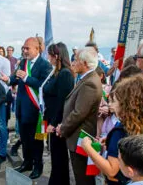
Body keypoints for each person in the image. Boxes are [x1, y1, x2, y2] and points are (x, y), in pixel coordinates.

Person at [81, 75, 143, 185]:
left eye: (115, 101)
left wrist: (88, 148)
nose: (111, 105)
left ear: (125, 105)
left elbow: (111, 170)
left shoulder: (120, 131)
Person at [1, 37, 53, 179]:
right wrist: (8, 80)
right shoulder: (23, 62)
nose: (24, 51)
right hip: (21, 108)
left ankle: (38, 166)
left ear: (37, 49)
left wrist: (26, 78)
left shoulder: (44, 65)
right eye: (23, 48)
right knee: (24, 139)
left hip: (35, 110)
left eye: (27, 48)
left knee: (35, 141)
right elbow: (16, 78)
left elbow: (44, 85)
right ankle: (27, 163)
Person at [55, 47, 102, 185]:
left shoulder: (90, 83)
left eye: (76, 60)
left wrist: (62, 128)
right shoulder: (86, 78)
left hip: (80, 137)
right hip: (76, 135)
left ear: (85, 63)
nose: (73, 63)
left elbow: (79, 113)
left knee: (83, 178)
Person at [42, 43, 75, 185]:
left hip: (58, 122)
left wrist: (54, 123)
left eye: (50, 55)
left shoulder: (65, 74)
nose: (48, 58)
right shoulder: (57, 72)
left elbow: (63, 102)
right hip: (52, 118)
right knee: (55, 156)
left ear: (57, 56)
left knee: (59, 156)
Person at [95, 66, 112, 139]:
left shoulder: (108, 88)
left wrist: (102, 109)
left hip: (104, 120)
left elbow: (111, 105)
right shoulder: (92, 88)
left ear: (101, 76)